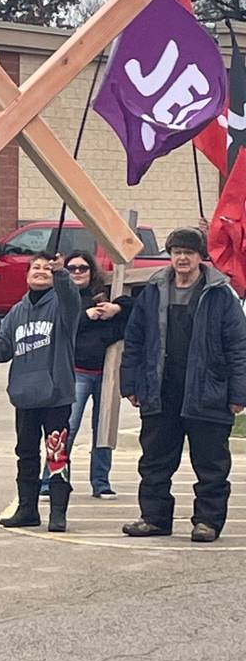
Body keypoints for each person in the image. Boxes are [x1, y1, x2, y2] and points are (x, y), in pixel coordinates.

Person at [121, 227, 246, 542]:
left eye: (188, 252)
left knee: (211, 465)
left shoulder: (221, 293)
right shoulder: (153, 290)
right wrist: (131, 384)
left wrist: (238, 393)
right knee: (154, 462)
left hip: (208, 391)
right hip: (160, 390)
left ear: (201, 257)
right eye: (176, 252)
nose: (182, 258)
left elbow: (238, 347)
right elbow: (135, 340)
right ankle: (154, 518)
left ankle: (207, 522)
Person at [0, 252, 81, 532]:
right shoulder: (17, 312)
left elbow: (71, 295)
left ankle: (58, 513)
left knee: (56, 454)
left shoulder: (62, 305)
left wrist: (62, 275)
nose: (41, 271)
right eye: (36, 267)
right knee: (26, 453)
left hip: (56, 394)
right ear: (26, 274)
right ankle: (27, 508)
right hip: (25, 395)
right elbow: (3, 346)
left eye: (47, 268)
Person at [39, 250, 131, 499]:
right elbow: (59, 325)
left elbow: (133, 314)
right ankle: (51, 479)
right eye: (72, 268)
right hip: (76, 372)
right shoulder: (62, 296)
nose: (77, 272)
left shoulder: (104, 295)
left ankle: (101, 481)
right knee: (66, 427)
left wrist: (117, 308)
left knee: (104, 430)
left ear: (92, 271)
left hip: (106, 373)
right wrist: (87, 317)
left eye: (83, 268)